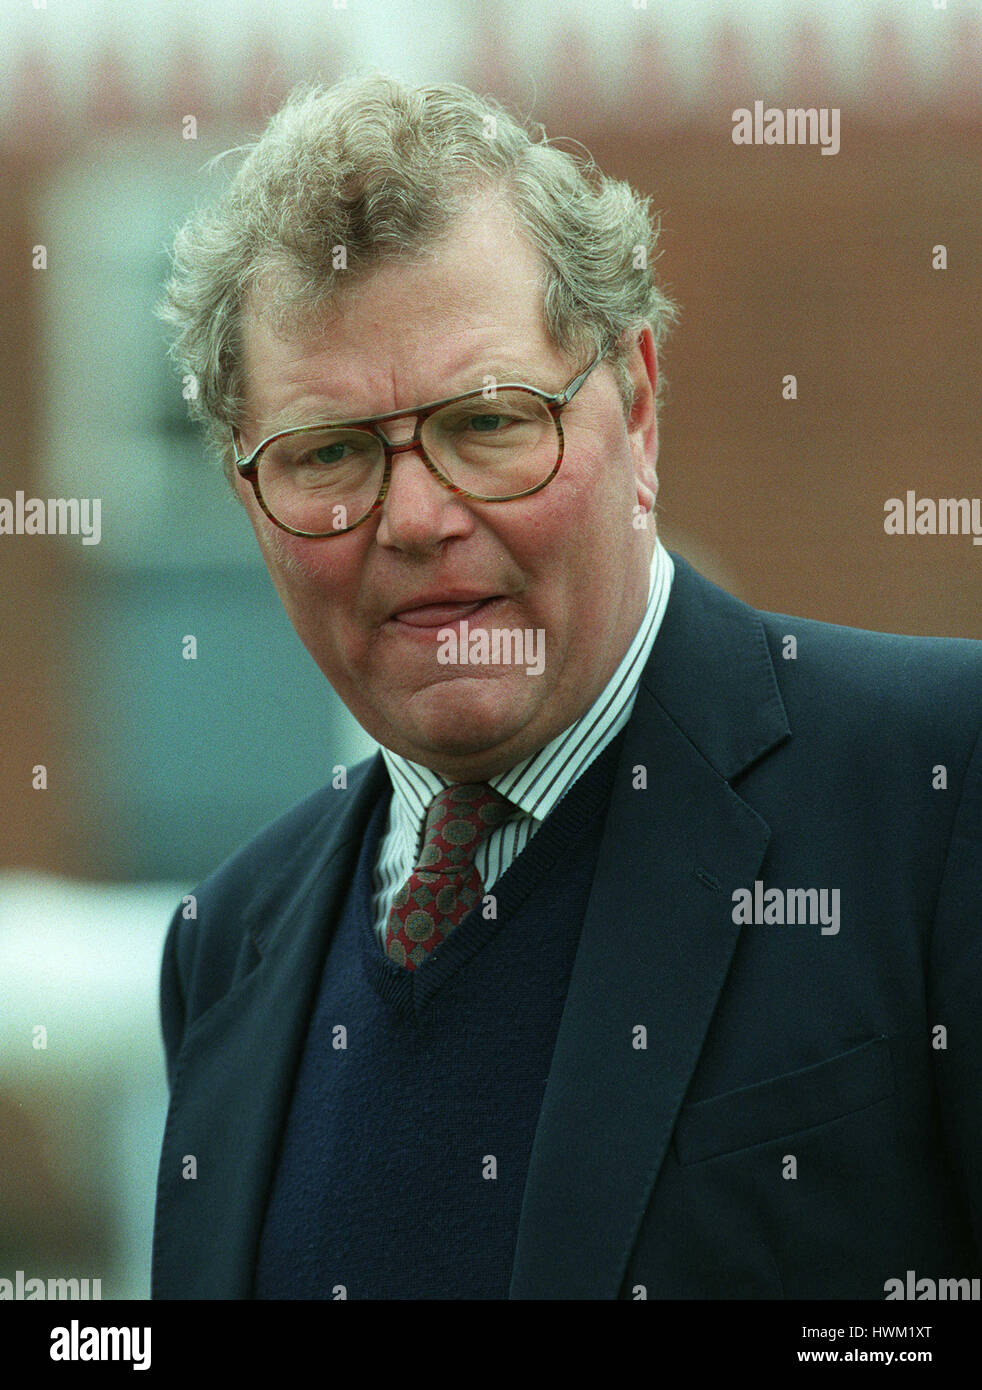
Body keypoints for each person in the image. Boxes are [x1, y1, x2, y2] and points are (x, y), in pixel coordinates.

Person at [150, 71, 982, 1300]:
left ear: (637, 403)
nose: (418, 518)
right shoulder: (228, 948)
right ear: (247, 495)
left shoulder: (936, 791)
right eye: (328, 453)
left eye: (487, 422)